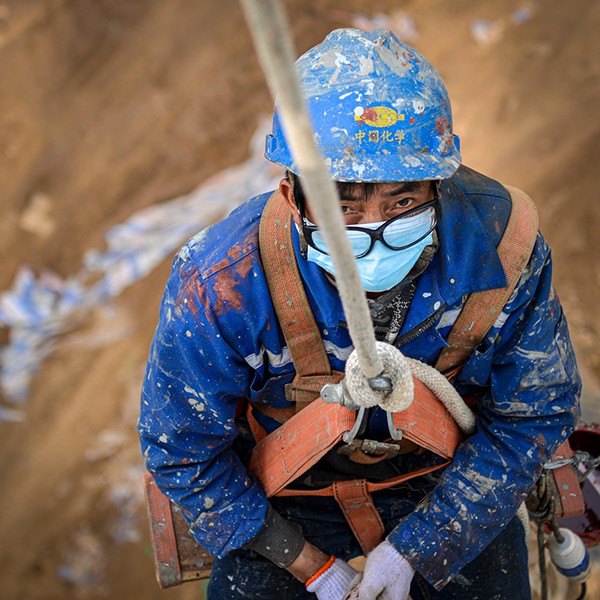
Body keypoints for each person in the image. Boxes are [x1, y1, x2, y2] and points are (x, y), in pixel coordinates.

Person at [138, 28, 581, 599]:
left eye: (402, 202)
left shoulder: (503, 249)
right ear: (293, 195)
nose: (375, 231)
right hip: (284, 500)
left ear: (439, 186)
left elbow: (535, 413)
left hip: (448, 482)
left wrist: (416, 548)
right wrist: (311, 567)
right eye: (342, 207)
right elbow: (181, 449)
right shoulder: (224, 285)